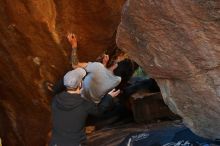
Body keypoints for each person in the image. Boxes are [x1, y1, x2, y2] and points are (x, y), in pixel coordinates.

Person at [50, 68, 120, 146]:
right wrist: (109, 97)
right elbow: (99, 111)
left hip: (55, 143)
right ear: (80, 84)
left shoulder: (55, 100)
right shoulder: (85, 104)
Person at [66, 33, 121, 104]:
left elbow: (75, 65)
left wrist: (74, 45)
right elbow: (104, 77)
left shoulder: (98, 67)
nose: (115, 61)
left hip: (81, 96)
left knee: (76, 72)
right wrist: (104, 64)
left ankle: (58, 90)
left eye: (115, 62)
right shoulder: (117, 80)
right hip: (92, 104)